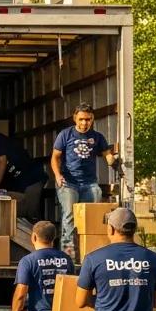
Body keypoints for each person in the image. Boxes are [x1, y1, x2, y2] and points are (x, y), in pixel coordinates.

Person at [51, 103, 118, 259]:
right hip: (68, 183)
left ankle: (91, 253)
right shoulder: (65, 135)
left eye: (87, 119)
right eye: (81, 119)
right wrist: (57, 175)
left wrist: (113, 161)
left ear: (92, 119)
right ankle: (68, 256)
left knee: (93, 215)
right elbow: (55, 157)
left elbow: (107, 155)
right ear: (75, 118)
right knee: (69, 216)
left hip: (89, 184)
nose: (84, 123)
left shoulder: (97, 137)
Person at [0, 119, 47, 222]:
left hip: (32, 179)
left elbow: (2, 162)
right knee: (22, 213)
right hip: (22, 182)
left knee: (31, 214)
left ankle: (41, 236)